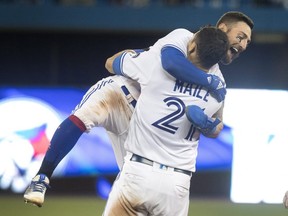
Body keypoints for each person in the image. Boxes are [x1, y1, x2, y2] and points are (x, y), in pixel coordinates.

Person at [23, 10, 254, 208]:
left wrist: (209, 124)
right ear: (223, 28)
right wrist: (206, 82)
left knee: (133, 185)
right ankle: (42, 176)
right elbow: (167, 63)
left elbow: (218, 124)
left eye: (247, 42)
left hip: (142, 123)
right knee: (85, 116)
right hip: (121, 94)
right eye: (240, 36)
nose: (243, 45)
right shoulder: (185, 39)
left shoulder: (219, 81)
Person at [102, 26, 229, 216]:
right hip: (177, 183)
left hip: (138, 172)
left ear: (192, 47)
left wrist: (148, 52)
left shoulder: (155, 66)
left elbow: (111, 63)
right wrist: (208, 125)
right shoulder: (217, 91)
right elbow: (216, 129)